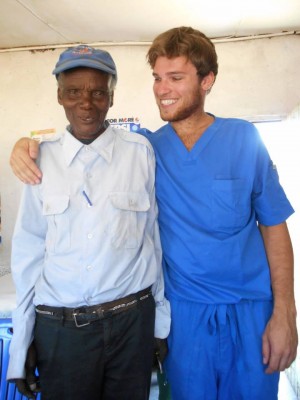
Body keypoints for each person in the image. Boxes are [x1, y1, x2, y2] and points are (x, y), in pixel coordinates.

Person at [9, 27, 298, 400]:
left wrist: (285, 314)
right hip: (185, 319)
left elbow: (274, 225)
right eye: (157, 78)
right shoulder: (146, 149)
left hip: (251, 310)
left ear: (207, 80)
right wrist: (25, 143)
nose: (163, 89)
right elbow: (89, 139)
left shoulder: (244, 139)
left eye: (176, 78)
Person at [7, 44, 170, 400]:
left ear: (112, 97)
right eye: (74, 92)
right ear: (59, 96)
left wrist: (158, 325)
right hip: (62, 331)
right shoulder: (40, 159)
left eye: (98, 92)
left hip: (132, 323)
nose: (86, 102)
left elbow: (152, 242)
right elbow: (28, 255)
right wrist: (21, 344)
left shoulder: (140, 153)